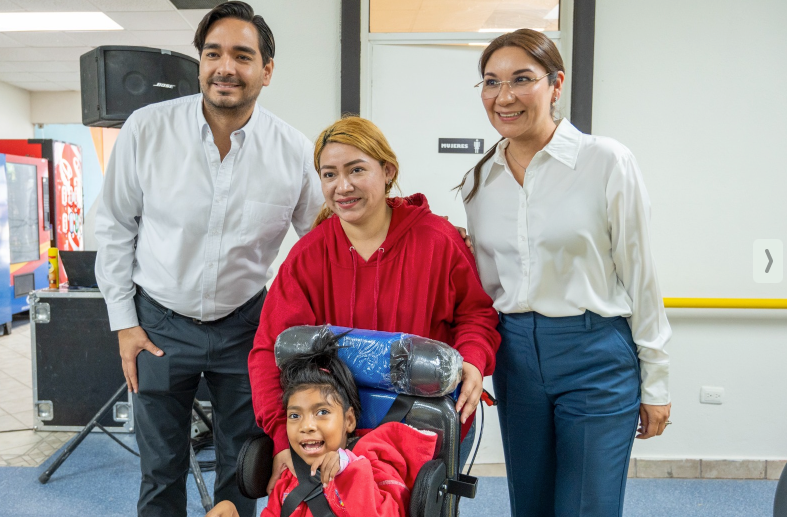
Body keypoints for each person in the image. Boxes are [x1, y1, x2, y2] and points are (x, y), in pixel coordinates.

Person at [94, 2, 323, 515]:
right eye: (213, 53)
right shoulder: (146, 129)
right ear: (199, 62)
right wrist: (124, 324)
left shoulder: (292, 151)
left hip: (246, 328)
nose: (225, 67)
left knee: (244, 467)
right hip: (157, 325)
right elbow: (113, 226)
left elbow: (321, 244)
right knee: (160, 470)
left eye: (242, 55)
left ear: (266, 70)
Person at [459, 29, 672, 517]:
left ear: (556, 85)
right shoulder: (479, 181)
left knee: (587, 506)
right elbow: (488, 286)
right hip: (516, 355)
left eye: (521, 79)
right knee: (530, 504)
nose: (504, 96)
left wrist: (657, 381)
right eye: (491, 82)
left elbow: (641, 275)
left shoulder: (605, 161)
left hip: (595, 353)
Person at [248, 116, 501, 494]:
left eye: (356, 170)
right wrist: (282, 439)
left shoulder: (437, 239)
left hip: (426, 428)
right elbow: (269, 351)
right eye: (329, 174)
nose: (342, 186)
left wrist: (473, 358)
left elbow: (475, 314)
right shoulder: (308, 256)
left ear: (388, 171)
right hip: (336, 434)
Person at [208, 334, 439, 517]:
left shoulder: (374, 465)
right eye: (295, 415)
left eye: (322, 412)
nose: (307, 426)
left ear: (349, 420)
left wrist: (348, 468)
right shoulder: (288, 478)